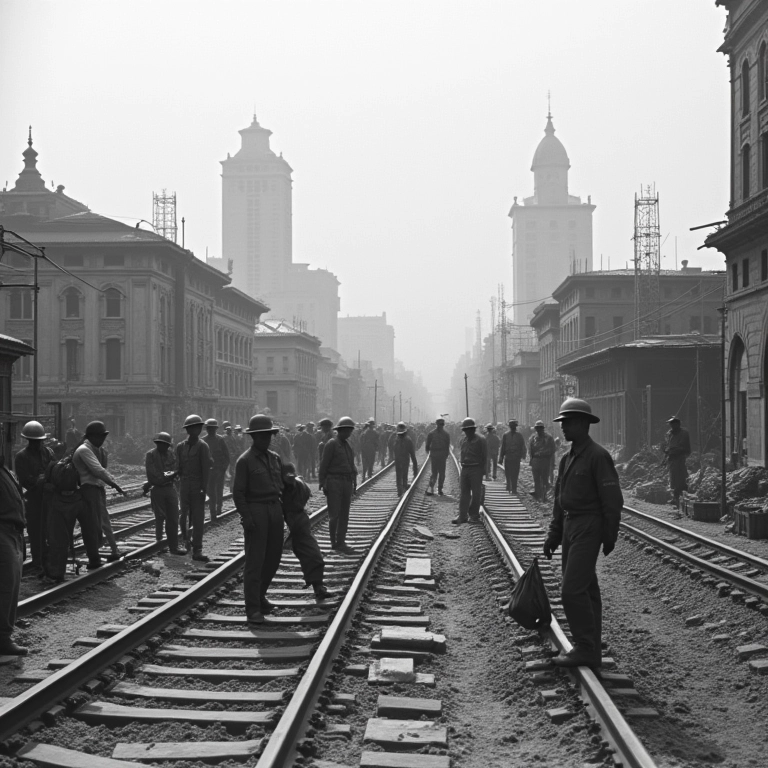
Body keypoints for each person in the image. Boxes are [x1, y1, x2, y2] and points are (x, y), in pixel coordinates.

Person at [543, 398, 623, 669]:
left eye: (568, 422)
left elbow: (612, 500)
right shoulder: (567, 459)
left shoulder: (598, 456)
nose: (563, 427)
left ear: (583, 424)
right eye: (562, 422)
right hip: (570, 526)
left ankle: (586, 647)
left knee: (571, 590)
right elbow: (560, 500)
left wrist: (609, 535)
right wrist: (554, 534)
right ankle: (592, 649)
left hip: (589, 526)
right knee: (587, 589)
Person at [233, 414, 286, 624]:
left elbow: (282, 485)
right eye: (261, 436)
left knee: (273, 558)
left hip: (274, 509)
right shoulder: (245, 461)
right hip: (256, 510)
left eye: (268, 435)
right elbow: (238, 492)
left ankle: (261, 596)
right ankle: (253, 608)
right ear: (254, 437)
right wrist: (246, 517)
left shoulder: (275, 458)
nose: (266, 439)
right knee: (255, 561)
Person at [72, 421, 126, 562]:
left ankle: (111, 550)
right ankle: (95, 556)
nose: (102, 440)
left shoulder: (96, 450)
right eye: (100, 437)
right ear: (92, 437)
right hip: (88, 490)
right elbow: (98, 470)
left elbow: (102, 470)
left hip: (96, 489)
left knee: (102, 521)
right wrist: (115, 484)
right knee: (94, 524)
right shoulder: (84, 450)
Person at [281, 462, 332, 601]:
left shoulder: (298, 487)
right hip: (287, 521)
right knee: (312, 554)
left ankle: (318, 586)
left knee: (312, 554)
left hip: (297, 521)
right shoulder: (287, 486)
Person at [14, 421, 54, 573]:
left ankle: (49, 560)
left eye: (39, 441)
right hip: (33, 500)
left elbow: (54, 470)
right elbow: (25, 480)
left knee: (50, 530)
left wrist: (47, 480)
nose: (37, 444)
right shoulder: (21, 457)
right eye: (33, 441)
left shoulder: (48, 452)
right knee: (36, 531)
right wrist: (41, 481)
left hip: (49, 498)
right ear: (28, 440)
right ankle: (38, 562)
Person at [0, 453, 28, 655]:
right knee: (6, 585)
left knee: (12, 584)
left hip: (13, 531)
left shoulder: (4, 470)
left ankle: (4, 636)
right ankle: (2, 638)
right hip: (2, 531)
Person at [318, 416, 358, 554]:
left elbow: (351, 465)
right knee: (334, 514)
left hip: (346, 481)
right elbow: (324, 464)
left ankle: (341, 541)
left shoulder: (347, 445)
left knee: (344, 514)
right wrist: (322, 482)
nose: (349, 433)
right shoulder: (331, 444)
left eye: (350, 430)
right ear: (340, 430)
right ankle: (334, 543)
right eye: (347, 430)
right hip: (334, 481)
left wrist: (354, 481)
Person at [176, 414, 212, 562]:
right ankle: (186, 541)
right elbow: (177, 467)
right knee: (183, 515)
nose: (195, 430)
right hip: (184, 484)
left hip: (197, 485)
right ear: (187, 429)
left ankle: (197, 549)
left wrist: (204, 488)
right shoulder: (180, 447)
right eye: (192, 428)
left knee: (197, 518)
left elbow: (205, 469)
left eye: (197, 427)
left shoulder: (203, 446)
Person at [145, 432, 186, 555]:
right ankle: (159, 543)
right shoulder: (151, 455)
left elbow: (175, 470)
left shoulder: (171, 455)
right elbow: (153, 475)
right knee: (159, 517)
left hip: (170, 488)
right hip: (157, 489)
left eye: (165, 444)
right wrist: (170, 475)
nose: (162, 446)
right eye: (160, 443)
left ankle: (173, 547)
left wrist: (169, 475)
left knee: (173, 518)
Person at [452, 417, 487, 525]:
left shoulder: (481, 440)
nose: (468, 431)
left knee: (476, 493)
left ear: (473, 429)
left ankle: (474, 515)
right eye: (466, 430)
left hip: (476, 468)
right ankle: (462, 515)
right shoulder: (463, 440)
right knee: (464, 493)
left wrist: (484, 470)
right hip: (465, 468)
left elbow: (484, 456)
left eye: (470, 429)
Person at [202, 419, 229, 522]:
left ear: (215, 429)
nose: (211, 430)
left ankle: (218, 509)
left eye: (213, 428)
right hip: (209, 471)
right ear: (207, 429)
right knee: (210, 491)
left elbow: (226, 456)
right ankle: (213, 511)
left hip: (219, 469)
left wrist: (223, 468)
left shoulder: (220, 440)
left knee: (219, 489)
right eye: (209, 428)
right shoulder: (203, 440)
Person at [664, 416, 691, 509]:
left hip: (681, 457)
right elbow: (667, 445)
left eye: (673, 424)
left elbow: (683, 446)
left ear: (677, 424)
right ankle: (675, 497)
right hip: (672, 458)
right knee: (673, 478)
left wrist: (673, 450)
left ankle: (680, 497)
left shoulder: (683, 433)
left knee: (681, 477)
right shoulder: (669, 434)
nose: (671, 427)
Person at [529, 420, 556, 501]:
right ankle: (537, 493)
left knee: (544, 478)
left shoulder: (549, 438)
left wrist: (545, 453)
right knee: (536, 478)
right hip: (536, 460)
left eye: (540, 428)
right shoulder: (533, 438)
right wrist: (531, 459)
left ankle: (544, 494)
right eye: (537, 428)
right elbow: (530, 449)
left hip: (545, 460)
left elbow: (553, 449)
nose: (539, 430)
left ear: (543, 428)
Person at [425, 417, 451, 496]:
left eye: (441, 424)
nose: (440, 426)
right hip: (437, 455)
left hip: (438, 455)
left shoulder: (433, 433)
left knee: (438, 473)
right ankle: (434, 489)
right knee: (437, 473)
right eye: (440, 424)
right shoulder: (444, 434)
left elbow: (447, 446)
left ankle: (437, 489)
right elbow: (427, 445)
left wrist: (430, 452)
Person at [499, 419, 526, 493]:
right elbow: (503, 447)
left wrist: (523, 455)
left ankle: (514, 488)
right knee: (508, 472)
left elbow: (522, 446)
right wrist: (501, 457)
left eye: (513, 426)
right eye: (511, 426)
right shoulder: (505, 435)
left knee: (515, 473)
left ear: (515, 426)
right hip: (508, 456)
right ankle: (508, 486)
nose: (512, 427)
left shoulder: (519, 435)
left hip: (516, 457)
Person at [393, 422, 418, 495]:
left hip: (398, 459)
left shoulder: (396, 439)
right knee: (404, 473)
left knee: (398, 474)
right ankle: (404, 485)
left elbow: (393, 449)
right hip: (405, 459)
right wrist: (415, 466)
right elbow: (412, 453)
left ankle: (399, 490)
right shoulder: (408, 440)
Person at [222, 422, 242, 493]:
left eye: (230, 430)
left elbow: (235, 446)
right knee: (227, 471)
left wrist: (236, 453)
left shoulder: (232, 437)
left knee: (232, 471)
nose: (229, 432)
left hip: (231, 456)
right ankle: (226, 487)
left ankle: (231, 487)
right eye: (228, 430)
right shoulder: (224, 438)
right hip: (227, 456)